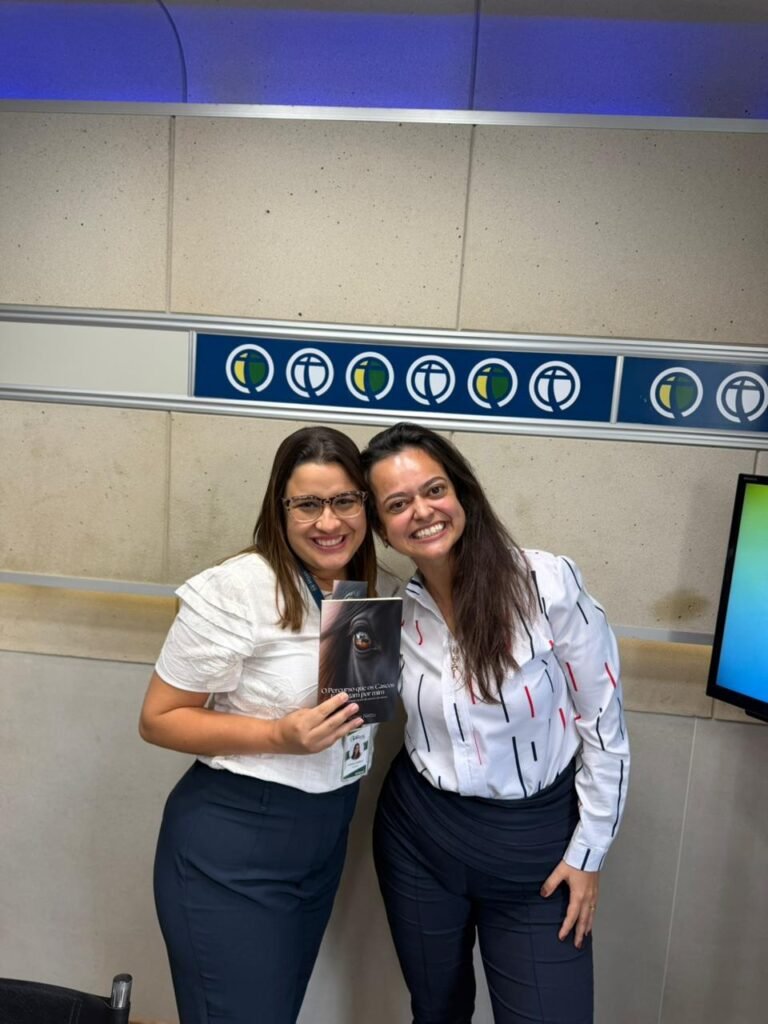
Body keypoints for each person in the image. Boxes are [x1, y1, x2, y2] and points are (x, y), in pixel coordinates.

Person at [361, 422, 629, 1024]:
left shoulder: (546, 582)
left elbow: (604, 729)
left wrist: (589, 855)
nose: (421, 512)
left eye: (434, 490)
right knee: (437, 1012)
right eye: (397, 504)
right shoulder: (383, 610)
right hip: (419, 839)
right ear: (380, 526)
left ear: (462, 492)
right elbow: (349, 728)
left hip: (537, 850)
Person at [139, 425, 396, 1024]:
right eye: (307, 504)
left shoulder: (373, 590)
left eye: (344, 500)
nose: (328, 521)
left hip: (324, 835)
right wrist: (277, 736)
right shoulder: (237, 590)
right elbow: (158, 719)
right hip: (233, 843)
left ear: (366, 504)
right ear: (279, 509)